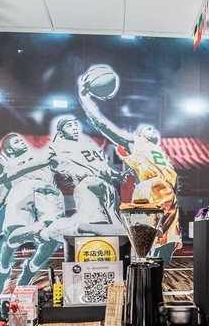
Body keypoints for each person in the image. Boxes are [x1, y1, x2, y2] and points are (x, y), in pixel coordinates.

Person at [78, 72, 182, 262]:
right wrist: (84, 97)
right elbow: (102, 124)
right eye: (147, 128)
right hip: (151, 191)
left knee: (166, 249)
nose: (152, 129)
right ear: (138, 133)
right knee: (143, 247)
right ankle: (92, 229)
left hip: (169, 197)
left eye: (153, 128)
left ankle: (156, 281)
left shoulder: (161, 153)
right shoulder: (135, 142)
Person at [0, 134, 63, 296]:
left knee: (52, 236)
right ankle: (3, 271)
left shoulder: (43, 153)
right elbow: (0, 199)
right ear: (9, 150)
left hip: (46, 191)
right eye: (16, 141)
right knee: (12, 234)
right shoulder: (7, 167)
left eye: (20, 139)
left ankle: (30, 270)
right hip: (21, 191)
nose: (21, 141)